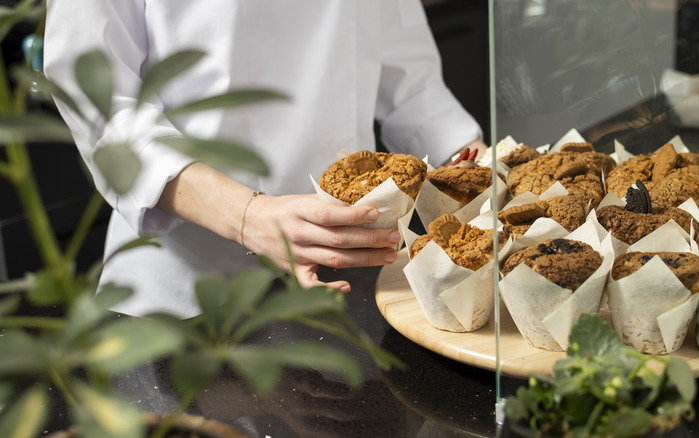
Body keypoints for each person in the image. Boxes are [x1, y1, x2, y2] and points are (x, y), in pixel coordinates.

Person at [43, 0, 486, 318]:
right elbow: (100, 99)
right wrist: (249, 216)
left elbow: (411, 83)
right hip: (190, 304)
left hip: (351, 284)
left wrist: (480, 168)